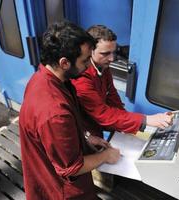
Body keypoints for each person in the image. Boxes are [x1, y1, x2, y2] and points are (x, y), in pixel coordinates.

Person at [19, 21, 120, 200]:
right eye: (84, 61)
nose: (89, 66)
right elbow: (72, 168)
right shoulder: (54, 112)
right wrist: (106, 156)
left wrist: (86, 137)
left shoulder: (43, 77)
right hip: (62, 191)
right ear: (64, 63)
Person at [71, 25, 173, 138]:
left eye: (112, 52)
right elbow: (103, 115)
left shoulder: (103, 67)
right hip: (86, 135)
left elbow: (114, 101)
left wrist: (136, 128)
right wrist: (145, 120)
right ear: (90, 51)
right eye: (105, 54)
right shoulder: (81, 79)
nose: (111, 59)